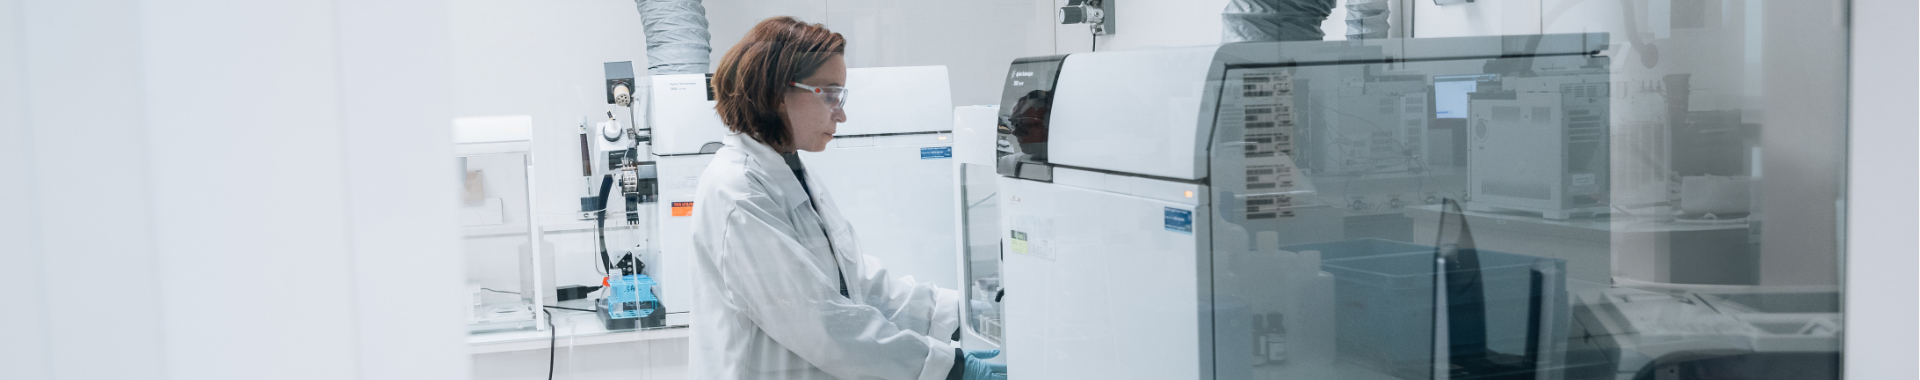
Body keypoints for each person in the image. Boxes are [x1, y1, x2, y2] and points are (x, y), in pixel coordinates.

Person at [688, 16, 1008, 380]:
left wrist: (959, 313)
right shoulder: (737, 191)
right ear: (779, 95)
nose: (841, 113)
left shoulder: (791, 171)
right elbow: (822, 324)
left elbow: (856, 282)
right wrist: (954, 369)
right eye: (829, 95)